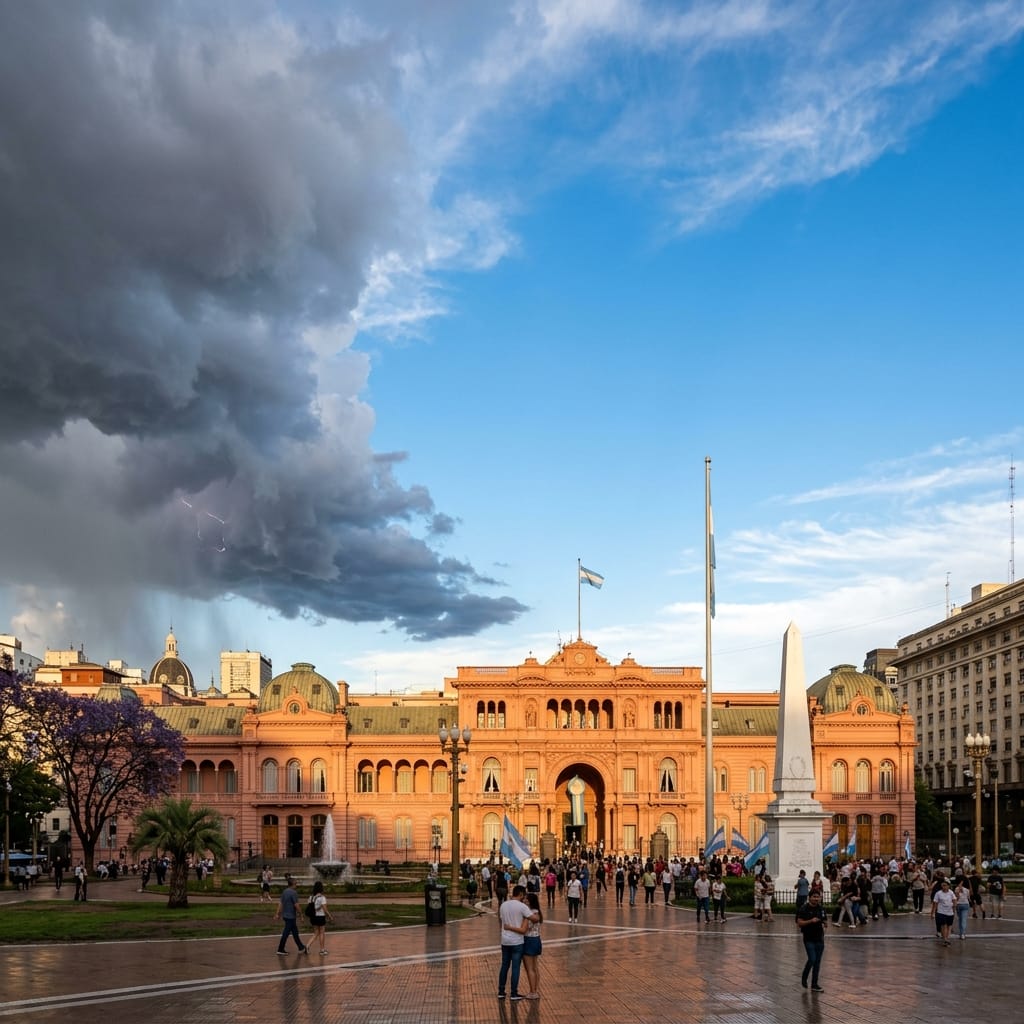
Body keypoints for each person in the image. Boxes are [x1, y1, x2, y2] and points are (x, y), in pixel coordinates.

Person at [498, 885, 536, 1001]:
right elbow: (534, 918)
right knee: (515, 967)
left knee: (504, 965)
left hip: (505, 940)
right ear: (520, 894)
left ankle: (501, 991)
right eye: (523, 895)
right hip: (517, 941)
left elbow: (501, 919)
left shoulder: (503, 905)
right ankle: (514, 993)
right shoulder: (522, 906)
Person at [796, 888, 827, 992]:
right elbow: (799, 923)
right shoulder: (804, 908)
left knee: (817, 962)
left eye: (818, 897)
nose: (816, 899)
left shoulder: (821, 909)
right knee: (812, 959)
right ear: (810, 897)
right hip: (809, 938)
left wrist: (825, 924)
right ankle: (805, 975)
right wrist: (811, 921)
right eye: (814, 896)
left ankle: (814, 984)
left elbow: (824, 920)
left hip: (819, 938)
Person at [274, 876, 309, 955]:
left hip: (286, 916)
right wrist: (301, 915)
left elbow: (280, 904)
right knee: (286, 933)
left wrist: (277, 914)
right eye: (296, 882)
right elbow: (297, 905)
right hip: (291, 916)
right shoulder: (293, 893)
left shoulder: (285, 892)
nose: (297, 884)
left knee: (295, 932)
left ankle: (301, 947)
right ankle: (280, 949)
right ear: (293, 884)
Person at [521, 891, 543, 1000]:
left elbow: (525, 928)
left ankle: (533, 992)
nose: (524, 900)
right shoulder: (537, 911)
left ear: (530, 901)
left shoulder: (530, 913)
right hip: (536, 939)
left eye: (526, 899)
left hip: (529, 940)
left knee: (529, 968)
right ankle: (535, 989)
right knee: (535, 967)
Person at [308, 879, 333, 955]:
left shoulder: (311, 897)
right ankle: (322, 950)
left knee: (315, 933)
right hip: (320, 916)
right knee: (322, 933)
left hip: (313, 917)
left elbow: (310, 907)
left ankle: (307, 946)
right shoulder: (322, 898)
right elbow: (325, 908)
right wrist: (329, 916)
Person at [931, 878, 955, 946]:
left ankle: (947, 938)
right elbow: (935, 903)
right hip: (941, 912)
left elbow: (954, 900)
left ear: (948, 886)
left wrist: (954, 909)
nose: (943, 887)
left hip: (950, 912)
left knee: (949, 926)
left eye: (945, 885)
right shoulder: (938, 893)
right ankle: (945, 939)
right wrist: (932, 913)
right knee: (943, 925)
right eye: (943, 885)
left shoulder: (951, 892)